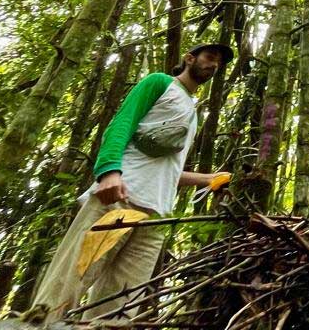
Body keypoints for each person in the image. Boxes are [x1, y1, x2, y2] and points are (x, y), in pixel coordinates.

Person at [31, 43, 234, 321]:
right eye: (209, 57)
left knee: (121, 304)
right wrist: (109, 171)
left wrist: (208, 179)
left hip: (155, 217)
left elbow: (168, 171)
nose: (213, 65)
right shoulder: (160, 83)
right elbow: (121, 123)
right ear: (189, 58)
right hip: (120, 197)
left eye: (218, 63)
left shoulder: (192, 109)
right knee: (70, 281)